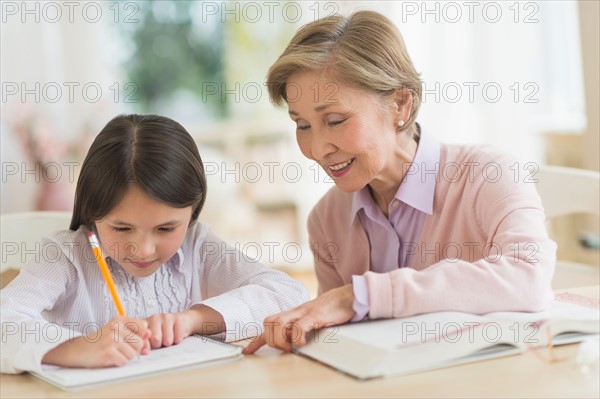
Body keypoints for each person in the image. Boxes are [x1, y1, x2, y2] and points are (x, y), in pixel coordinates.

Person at [244, 10, 556, 354]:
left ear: (399, 104)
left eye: (334, 120)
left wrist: (362, 295)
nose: (317, 149)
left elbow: (531, 279)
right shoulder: (326, 218)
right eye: (302, 125)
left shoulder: (489, 176)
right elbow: (340, 340)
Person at [0, 114, 309, 373]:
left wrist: (192, 320)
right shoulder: (65, 255)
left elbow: (290, 295)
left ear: (193, 210)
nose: (144, 249)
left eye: (166, 228)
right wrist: (76, 348)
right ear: (93, 212)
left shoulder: (198, 244)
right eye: (121, 228)